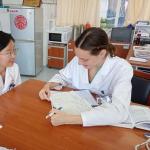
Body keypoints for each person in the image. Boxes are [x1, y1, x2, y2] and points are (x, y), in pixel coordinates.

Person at [39, 27, 133, 127]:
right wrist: (48, 85)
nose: (79, 62)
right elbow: (62, 77)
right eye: (78, 57)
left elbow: (119, 112)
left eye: (85, 59)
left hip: (101, 122)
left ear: (102, 53)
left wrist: (69, 119)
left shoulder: (122, 68)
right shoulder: (78, 60)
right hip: (78, 107)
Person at [0, 31, 21, 95]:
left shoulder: (14, 67)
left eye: (14, 50)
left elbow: (19, 89)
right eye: (8, 53)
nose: (14, 56)